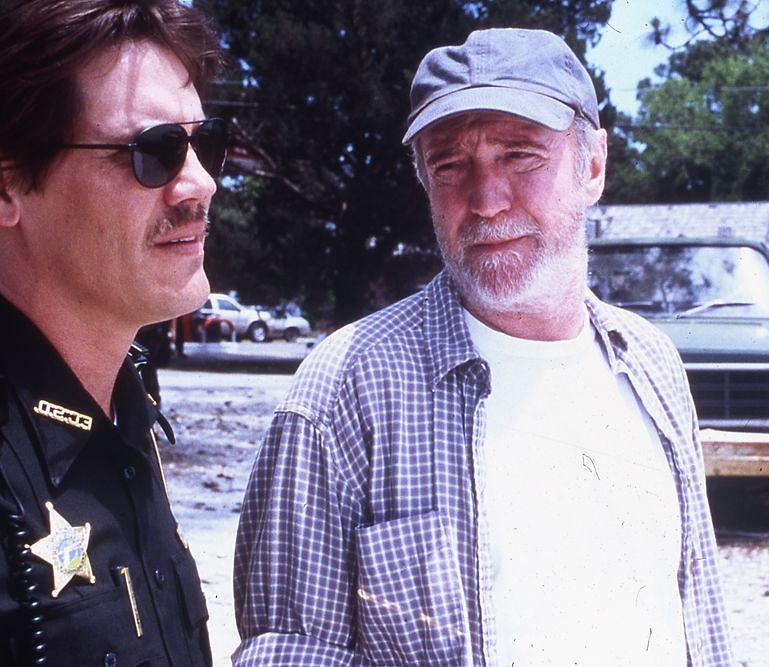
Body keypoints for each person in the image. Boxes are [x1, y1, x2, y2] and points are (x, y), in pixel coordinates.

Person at [234, 28, 733, 666]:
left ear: (593, 167)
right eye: (449, 166)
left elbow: (700, 617)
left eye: (520, 155)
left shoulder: (653, 363)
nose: (487, 201)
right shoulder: (348, 385)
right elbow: (287, 653)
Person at [0, 1, 226, 664]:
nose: (202, 183)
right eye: (154, 151)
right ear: (8, 187)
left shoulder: (130, 414)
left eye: (202, 144)